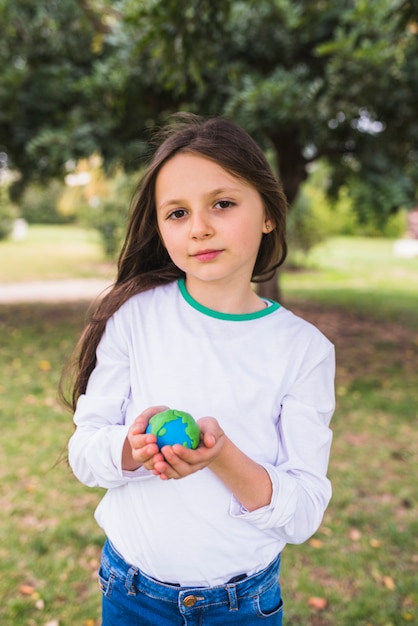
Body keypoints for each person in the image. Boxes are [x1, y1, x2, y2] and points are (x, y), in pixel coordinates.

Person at [65, 113, 335, 625]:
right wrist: (133, 446)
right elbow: (84, 451)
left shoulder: (304, 350)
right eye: (177, 213)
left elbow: (303, 512)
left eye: (223, 204)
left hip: (243, 607)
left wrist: (221, 455)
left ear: (268, 214)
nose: (200, 228)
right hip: (131, 595)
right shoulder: (133, 318)